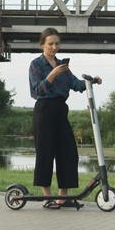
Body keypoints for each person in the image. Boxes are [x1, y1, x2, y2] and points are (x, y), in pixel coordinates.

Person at [28, 27, 102, 209]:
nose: (54, 47)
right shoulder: (36, 64)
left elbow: (76, 84)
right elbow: (35, 90)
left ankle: (62, 198)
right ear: (42, 45)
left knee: (68, 153)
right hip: (44, 110)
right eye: (50, 44)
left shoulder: (63, 65)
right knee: (45, 153)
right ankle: (47, 198)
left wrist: (91, 80)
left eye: (57, 43)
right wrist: (52, 75)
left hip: (61, 110)